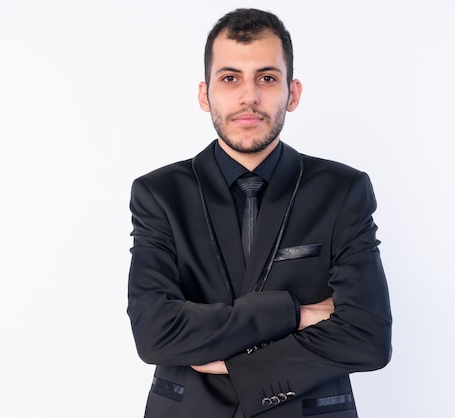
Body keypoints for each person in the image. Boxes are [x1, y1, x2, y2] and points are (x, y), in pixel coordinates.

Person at [126, 8, 392, 418]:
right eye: (230, 78)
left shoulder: (342, 190)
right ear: (204, 94)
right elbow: (155, 332)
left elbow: (368, 335)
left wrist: (239, 368)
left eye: (267, 78)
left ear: (293, 92)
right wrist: (296, 313)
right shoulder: (160, 195)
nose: (248, 96)